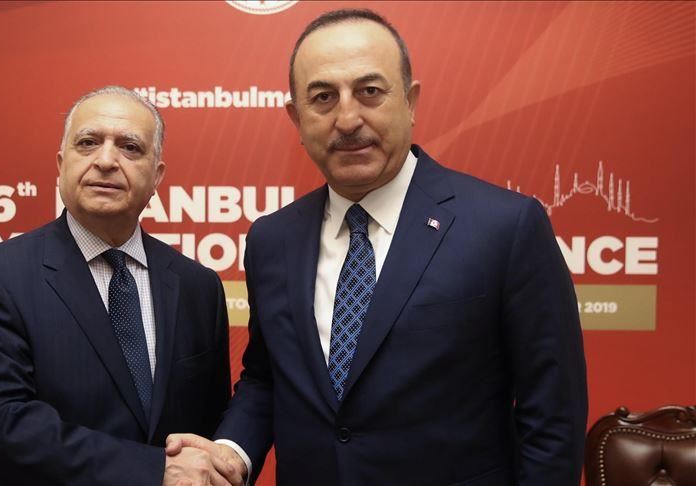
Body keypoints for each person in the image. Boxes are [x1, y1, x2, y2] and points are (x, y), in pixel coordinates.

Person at [166, 9, 588, 485]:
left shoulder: (505, 227)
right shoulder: (272, 239)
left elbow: (552, 420)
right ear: (296, 119)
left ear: (410, 101)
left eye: (369, 91)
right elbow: (267, 378)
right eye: (323, 98)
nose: (347, 119)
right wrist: (230, 453)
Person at [0, 86, 235, 486]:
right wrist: (153, 470)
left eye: (130, 148)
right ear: (61, 164)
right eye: (88, 143)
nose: (105, 161)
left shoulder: (198, 287)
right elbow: (0, 424)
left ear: (156, 176)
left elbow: (209, 426)